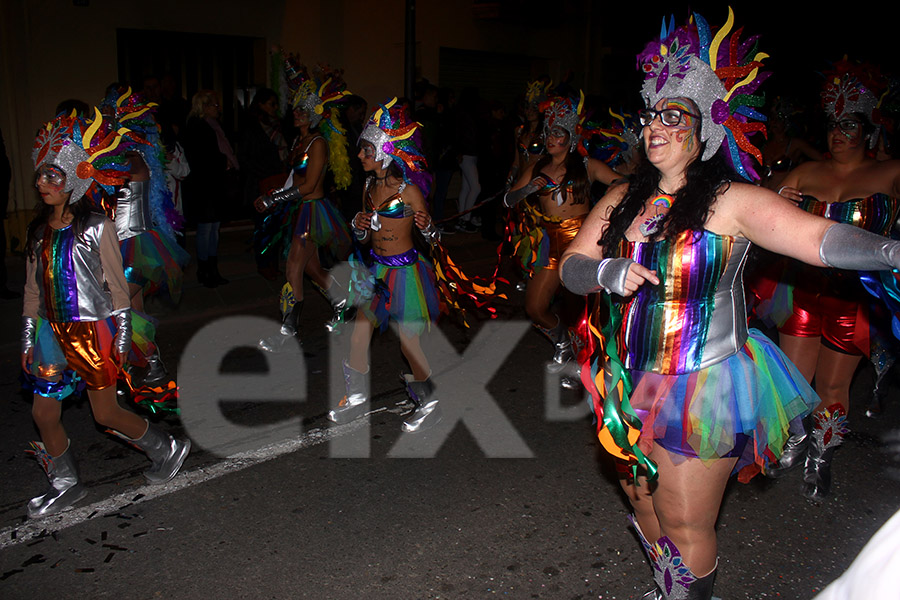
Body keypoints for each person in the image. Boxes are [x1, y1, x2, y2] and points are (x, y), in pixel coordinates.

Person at [559, 9, 900, 598]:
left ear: (706, 130)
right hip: (621, 377)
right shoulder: (620, 194)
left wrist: (894, 252)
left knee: (686, 521)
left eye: (675, 116)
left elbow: (819, 241)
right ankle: (670, 587)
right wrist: (605, 268)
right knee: (642, 508)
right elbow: (570, 268)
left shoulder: (733, 200)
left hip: (700, 384)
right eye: (651, 116)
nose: (656, 127)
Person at [23, 112, 190, 519]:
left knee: (106, 413)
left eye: (53, 177)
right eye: (41, 177)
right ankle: (65, 484)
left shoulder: (98, 227)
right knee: (42, 412)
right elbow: (31, 290)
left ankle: (166, 447)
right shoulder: (38, 231)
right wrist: (29, 337)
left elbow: (118, 288)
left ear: (76, 180)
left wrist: (120, 334)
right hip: (50, 332)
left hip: (91, 330)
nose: (43, 185)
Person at [763, 61, 900, 500]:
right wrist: (777, 199)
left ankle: (821, 454)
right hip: (800, 289)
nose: (836, 133)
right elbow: (760, 208)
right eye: (832, 124)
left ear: (868, 129)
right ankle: (797, 437)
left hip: (855, 297)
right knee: (793, 381)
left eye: (848, 124)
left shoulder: (891, 173)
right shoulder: (807, 171)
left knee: (833, 386)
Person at [327, 98, 442, 433]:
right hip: (376, 272)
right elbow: (363, 240)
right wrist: (359, 227)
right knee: (358, 335)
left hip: (404, 272)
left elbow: (434, 240)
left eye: (366, 150)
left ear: (384, 153)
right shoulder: (369, 186)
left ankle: (428, 400)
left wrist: (428, 227)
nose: (360, 156)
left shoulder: (408, 192)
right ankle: (357, 399)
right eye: (361, 150)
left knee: (409, 344)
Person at [504, 92, 619, 387]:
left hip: (582, 242)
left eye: (559, 132)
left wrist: (603, 213)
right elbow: (508, 199)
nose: (552, 137)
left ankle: (586, 367)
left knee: (582, 310)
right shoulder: (535, 165)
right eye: (549, 132)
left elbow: (621, 183)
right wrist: (527, 189)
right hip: (549, 242)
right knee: (535, 307)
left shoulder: (587, 165)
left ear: (571, 135)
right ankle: (563, 343)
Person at [254, 55, 354, 352]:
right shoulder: (300, 142)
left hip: (313, 212)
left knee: (293, 267)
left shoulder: (318, 143)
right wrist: (273, 200)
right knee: (311, 269)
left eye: (302, 109)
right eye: (295, 108)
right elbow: (293, 179)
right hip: (299, 210)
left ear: (314, 115)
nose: (296, 113)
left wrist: (273, 198)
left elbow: (309, 185)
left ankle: (287, 332)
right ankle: (345, 305)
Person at [183, 89, 237, 287]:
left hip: (213, 185)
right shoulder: (198, 126)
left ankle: (212, 269)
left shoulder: (212, 125)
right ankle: (205, 269)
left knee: (213, 228)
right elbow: (202, 157)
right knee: (206, 229)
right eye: (214, 105)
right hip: (204, 186)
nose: (218, 108)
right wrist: (223, 161)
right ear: (203, 107)